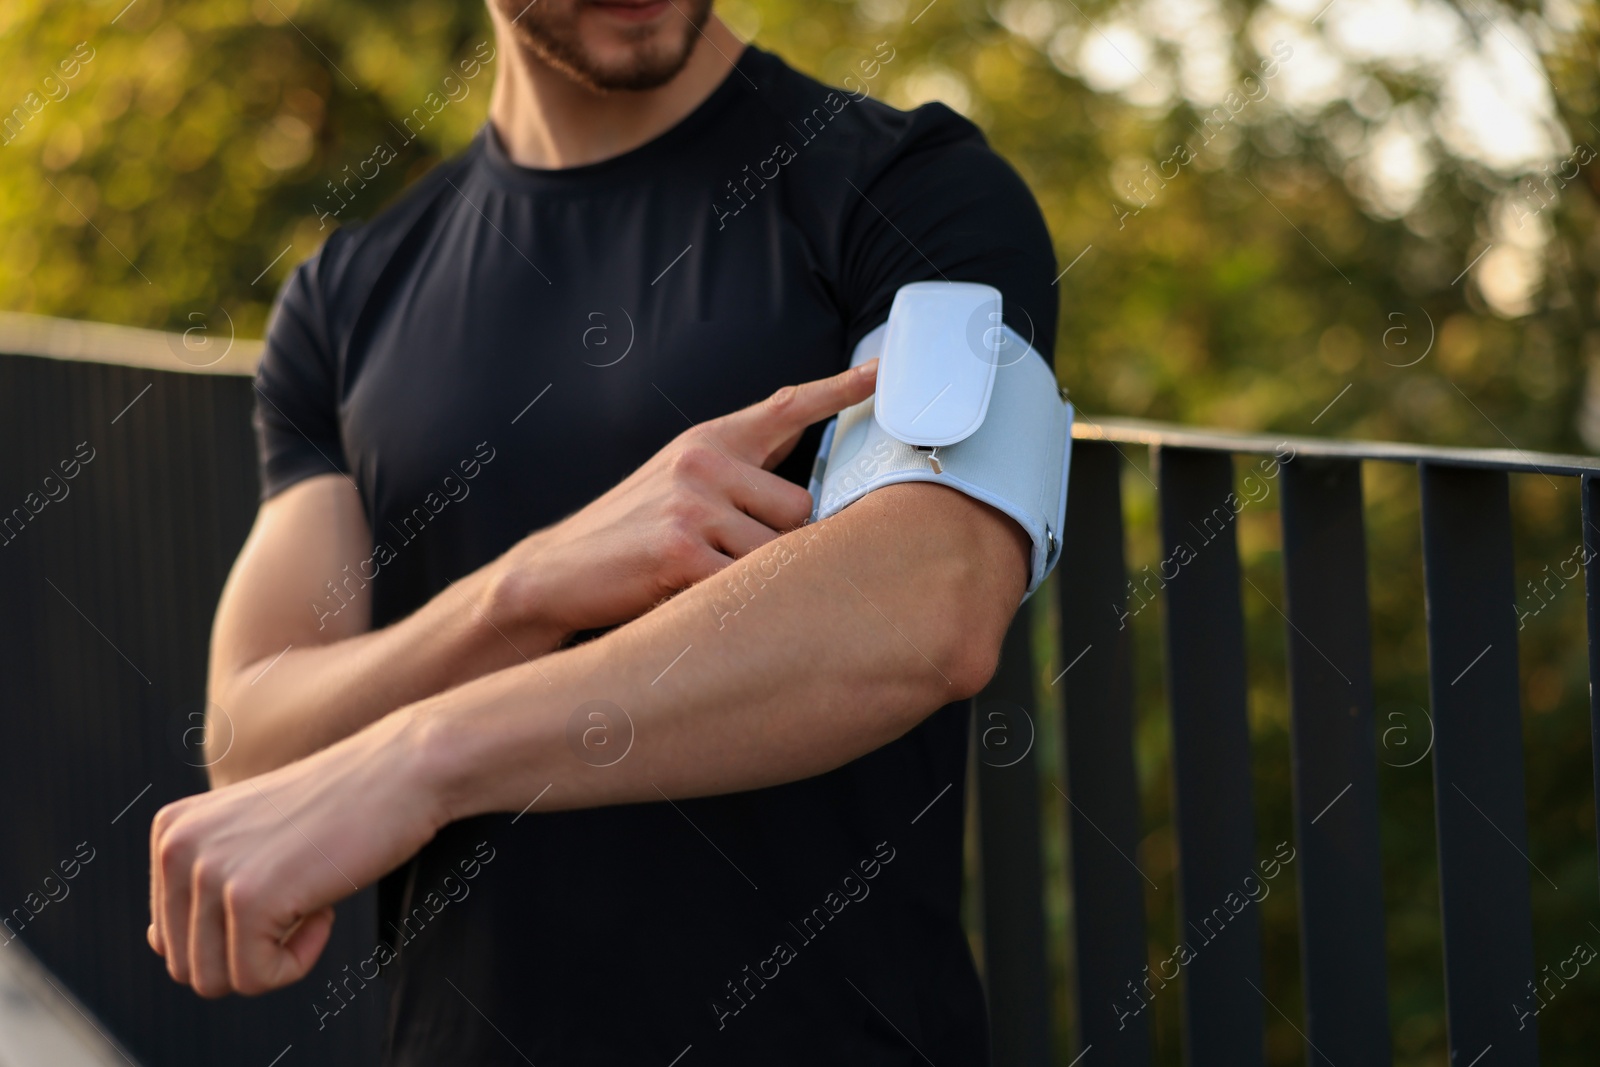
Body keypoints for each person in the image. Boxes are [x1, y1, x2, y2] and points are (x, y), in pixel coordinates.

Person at [146, 0, 1059, 1062]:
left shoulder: (911, 190)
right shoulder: (344, 296)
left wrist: (429, 751)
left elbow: (928, 595)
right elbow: (252, 744)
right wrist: (522, 590)